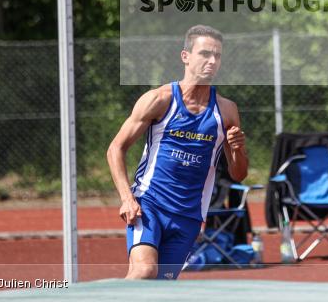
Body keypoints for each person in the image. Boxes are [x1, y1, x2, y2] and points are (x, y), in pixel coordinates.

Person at [106, 25, 248, 280]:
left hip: (188, 216)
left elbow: (238, 174)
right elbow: (116, 148)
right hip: (149, 206)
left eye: (217, 55)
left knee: (160, 287)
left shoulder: (226, 110)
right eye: (205, 53)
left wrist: (237, 149)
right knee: (144, 271)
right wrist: (127, 198)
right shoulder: (159, 99)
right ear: (186, 56)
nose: (212, 61)